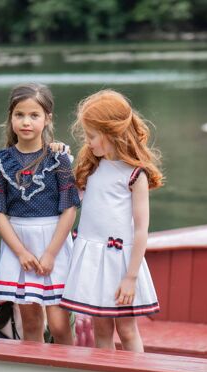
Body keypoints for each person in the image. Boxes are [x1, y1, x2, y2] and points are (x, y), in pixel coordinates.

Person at [60, 89, 163, 352]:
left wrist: (130, 277)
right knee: (100, 328)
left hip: (120, 263)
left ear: (111, 134)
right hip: (93, 260)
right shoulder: (91, 167)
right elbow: (71, 200)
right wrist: (57, 156)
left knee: (127, 329)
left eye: (91, 136)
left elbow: (141, 230)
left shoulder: (134, 175)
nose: (87, 141)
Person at [0, 83, 80, 344]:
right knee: (31, 322)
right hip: (19, 242)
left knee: (60, 325)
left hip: (55, 241)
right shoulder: (0, 161)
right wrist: (21, 252)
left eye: (34, 115)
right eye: (20, 115)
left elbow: (70, 207)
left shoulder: (58, 159)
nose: (26, 121)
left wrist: (50, 253)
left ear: (47, 118)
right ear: (11, 118)